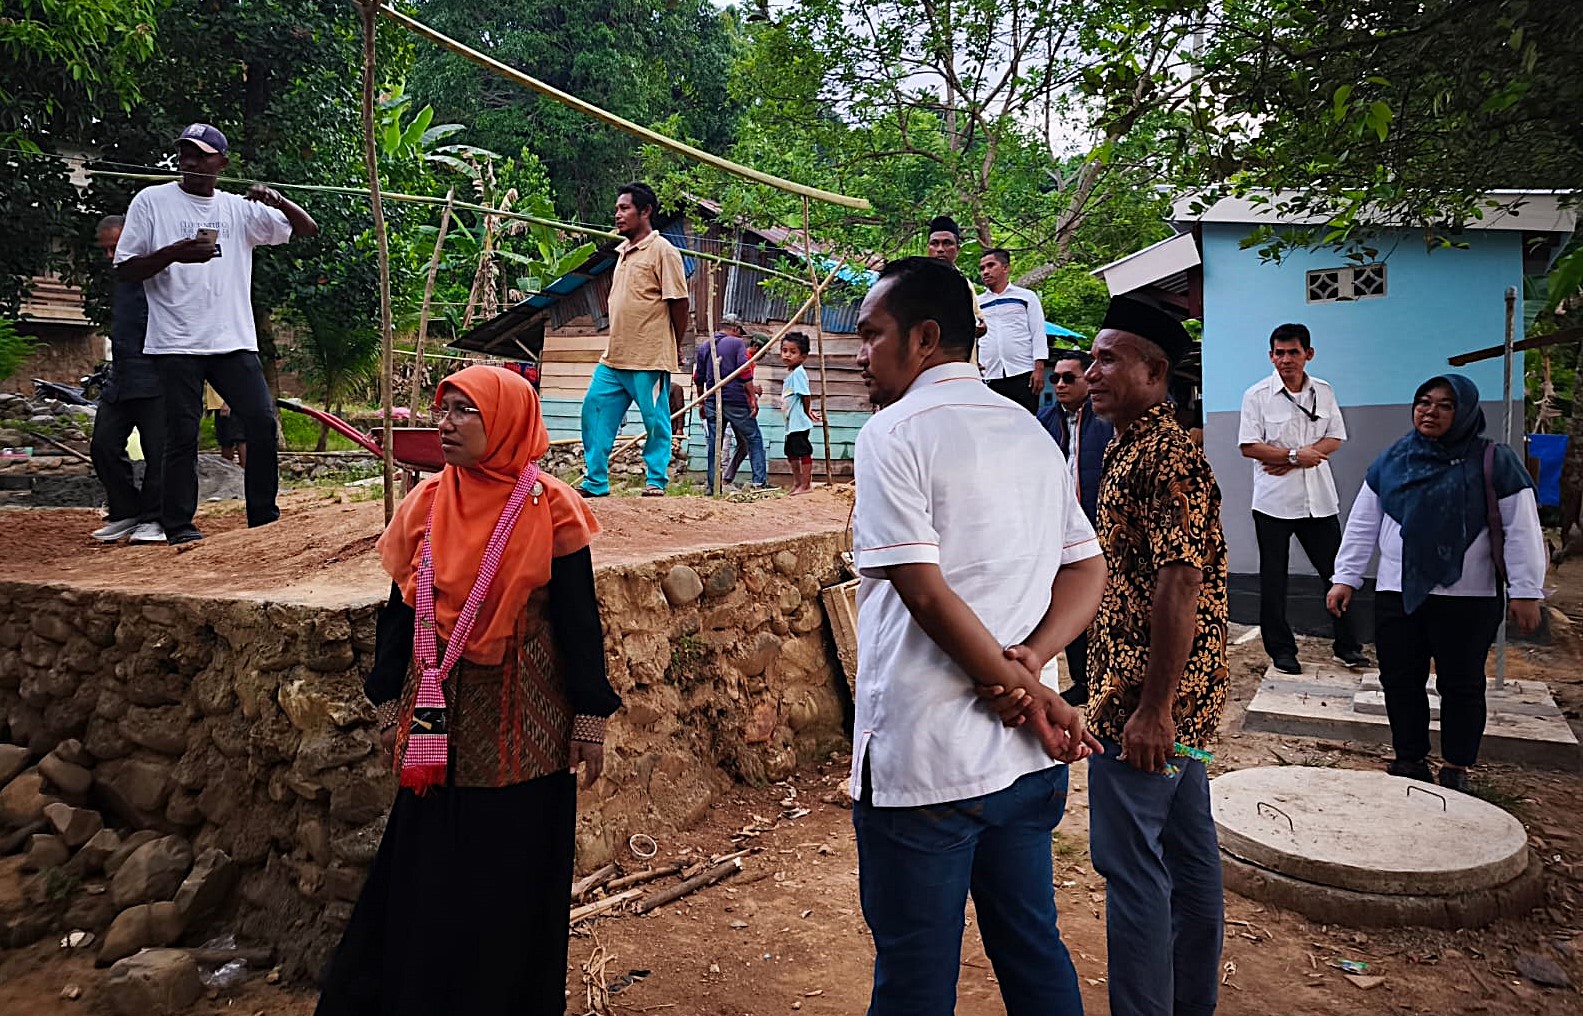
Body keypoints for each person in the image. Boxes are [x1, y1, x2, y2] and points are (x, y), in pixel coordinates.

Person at [316, 365, 619, 1016]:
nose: (444, 424)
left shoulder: (551, 505)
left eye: (462, 412)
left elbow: (576, 617)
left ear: (504, 423)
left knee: (507, 874)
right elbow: (399, 608)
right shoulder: (426, 503)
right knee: (431, 867)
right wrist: (385, 695)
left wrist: (590, 713)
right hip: (437, 724)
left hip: (526, 731)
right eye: (442, 408)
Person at [850, 256, 1107, 1016]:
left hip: (929, 762)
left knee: (914, 976)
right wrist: (1036, 673)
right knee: (1031, 948)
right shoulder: (1028, 430)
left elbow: (925, 595)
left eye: (871, 334)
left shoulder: (892, 433)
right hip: (1026, 759)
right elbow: (1085, 570)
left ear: (924, 337)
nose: (861, 353)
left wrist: (1021, 685)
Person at [1082, 296, 1228, 1016]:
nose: (1091, 368)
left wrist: (1152, 710)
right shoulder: (1127, 444)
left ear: (1155, 371)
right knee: (1189, 863)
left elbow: (1181, 583)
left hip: (1143, 713)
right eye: (1092, 355)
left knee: (1132, 869)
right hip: (1176, 716)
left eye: (1110, 357)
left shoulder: (1166, 459)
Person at [1326, 374, 1543, 793]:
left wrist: (1526, 590)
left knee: (1460, 683)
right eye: (1424, 402)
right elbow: (1363, 522)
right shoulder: (1393, 460)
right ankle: (1410, 759)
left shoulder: (1494, 460)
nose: (1431, 411)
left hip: (1468, 594)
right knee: (1400, 678)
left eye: (1445, 405)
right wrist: (1345, 578)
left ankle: (1458, 766)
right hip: (1397, 590)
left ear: (1463, 412)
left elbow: (1521, 528)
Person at [113, 122, 318, 544]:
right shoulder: (152, 201)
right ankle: (179, 526)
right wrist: (175, 253)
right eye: (185, 152)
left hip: (233, 340)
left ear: (221, 163)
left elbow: (306, 229)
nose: (189, 160)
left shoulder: (236, 208)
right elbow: (125, 268)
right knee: (181, 435)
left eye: (201, 154)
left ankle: (263, 517)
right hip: (175, 342)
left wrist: (278, 200)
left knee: (261, 423)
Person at [1238, 323, 1368, 673]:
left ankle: (1347, 645)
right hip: (1273, 503)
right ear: (1271, 356)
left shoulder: (1323, 392)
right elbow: (1250, 446)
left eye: (1293, 352)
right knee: (1274, 579)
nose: (1285, 360)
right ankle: (1281, 651)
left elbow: (1335, 437)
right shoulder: (1257, 395)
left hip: (1319, 500)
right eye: (1279, 353)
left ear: (1308, 354)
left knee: (1337, 573)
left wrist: (1289, 456)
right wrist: (1297, 457)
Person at [579, 182, 690, 498]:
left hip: (649, 356)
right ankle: (596, 481)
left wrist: (675, 344)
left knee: (656, 420)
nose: (618, 215)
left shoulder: (663, 251)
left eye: (624, 208)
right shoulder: (623, 252)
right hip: (614, 356)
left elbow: (678, 302)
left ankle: (656, 480)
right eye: (617, 209)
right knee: (594, 410)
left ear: (645, 212)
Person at [1037, 350, 1114, 704]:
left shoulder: (1106, 420)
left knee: (1106, 604)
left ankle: (1109, 679)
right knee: (1069, 601)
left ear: (1089, 379)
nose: (1061, 384)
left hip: (1101, 526)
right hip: (1058, 529)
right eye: (1056, 378)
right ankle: (1083, 681)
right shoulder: (1044, 421)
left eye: (1070, 377)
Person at [88, 215, 167, 545]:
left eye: (115, 248)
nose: (110, 256)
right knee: (103, 445)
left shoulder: (159, 271)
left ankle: (156, 518)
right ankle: (125, 511)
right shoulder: (120, 280)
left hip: (157, 375)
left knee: (159, 452)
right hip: (120, 377)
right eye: (104, 250)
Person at [694, 312, 767, 493]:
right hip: (735, 401)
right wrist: (752, 398)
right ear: (735, 329)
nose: (741, 336)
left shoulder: (705, 345)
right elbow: (744, 373)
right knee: (754, 438)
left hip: (713, 400)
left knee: (714, 443)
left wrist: (702, 402)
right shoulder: (736, 343)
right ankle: (759, 482)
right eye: (740, 332)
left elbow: (698, 378)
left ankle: (713, 485)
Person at [976, 248, 1047, 413]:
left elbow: (1037, 333)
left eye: (991, 265)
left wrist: (1039, 368)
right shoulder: (978, 303)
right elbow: (974, 337)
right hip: (990, 375)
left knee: (1026, 424)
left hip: (1023, 372)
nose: (985, 272)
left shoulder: (1026, 297)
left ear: (1006, 268)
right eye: (982, 268)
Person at [924, 215, 987, 340]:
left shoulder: (964, 282)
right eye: (935, 243)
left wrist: (981, 327)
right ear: (928, 248)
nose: (940, 249)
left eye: (947, 243)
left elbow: (978, 318)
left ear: (957, 249)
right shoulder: (916, 280)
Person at [778, 331, 821, 495]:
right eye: (784, 350)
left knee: (803, 451)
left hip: (799, 423)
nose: (787, 355)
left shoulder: (799, 373)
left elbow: (805, 395)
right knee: (790, 452)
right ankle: (797, 483)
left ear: (803, 356)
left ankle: (805, 485)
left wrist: (807, 411)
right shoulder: (791, 374)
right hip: (791, 424)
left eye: (793, 352)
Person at [724, 331, 769, 484]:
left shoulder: (748, 359)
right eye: (764, 350)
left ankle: (727, 478)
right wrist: (752, 393)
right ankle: (759, 482)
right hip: (739, 405)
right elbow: (741, 380)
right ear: (756, 346)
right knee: (755, 440)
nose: (764, 354)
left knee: (743, 444)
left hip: (729, 402)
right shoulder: (746, 358)